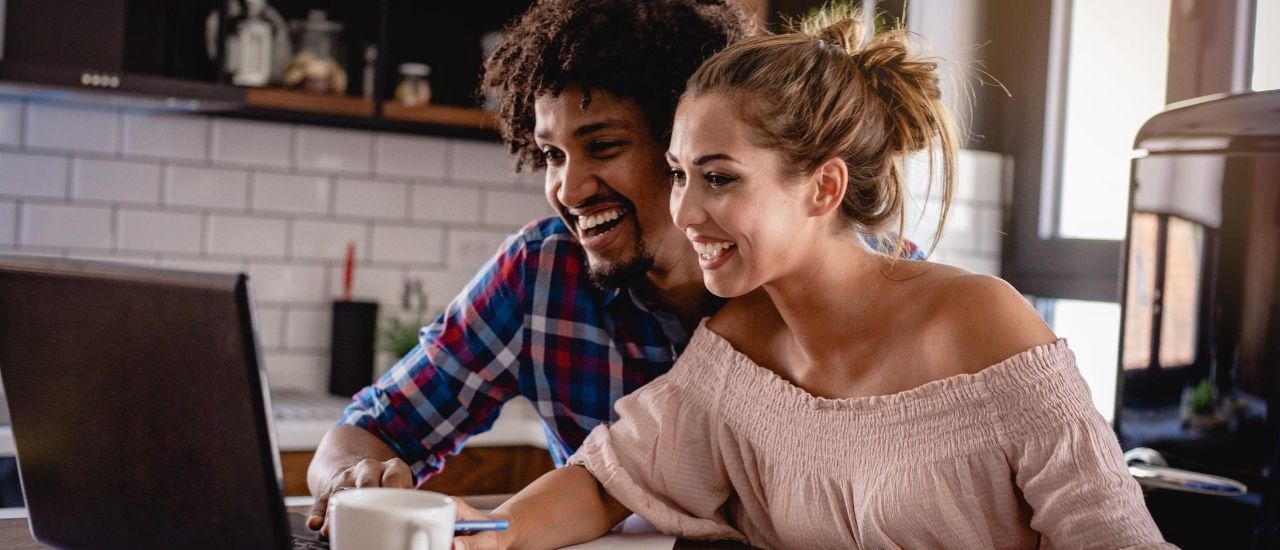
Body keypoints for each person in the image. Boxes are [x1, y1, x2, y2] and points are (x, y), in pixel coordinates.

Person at [449, 8, 1172, 550]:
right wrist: (485, 534)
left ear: (824, 188)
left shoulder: (982, 323)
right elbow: (607, 481)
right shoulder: (736, 352)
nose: (686, 210)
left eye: (720, 178)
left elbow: (1115, 537)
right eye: (677, 175)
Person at [304, 0, 808, 535]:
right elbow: (368, 429)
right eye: (552, 155)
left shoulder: (799, 279)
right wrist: (349, 481)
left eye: (604, 146)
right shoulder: (539, 272)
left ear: (684, 145)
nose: (568, 190)